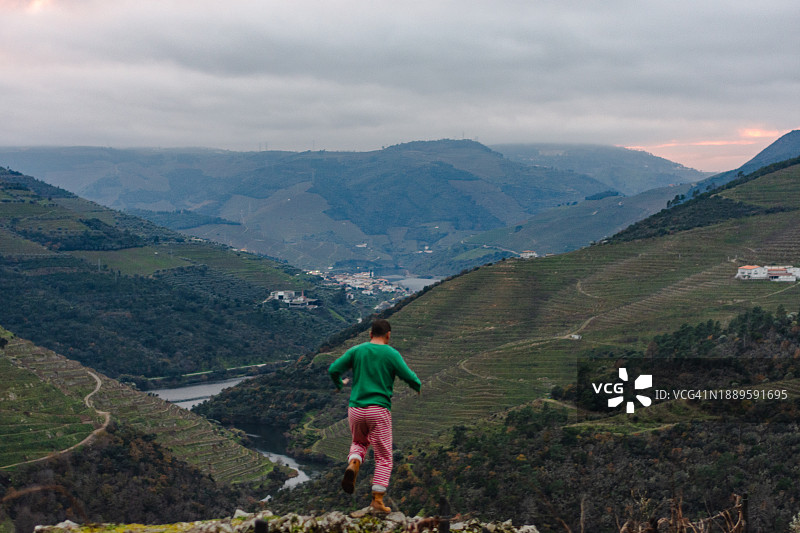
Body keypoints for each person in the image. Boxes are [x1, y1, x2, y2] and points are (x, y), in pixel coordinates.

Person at [328, 318, 421, 513]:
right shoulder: (391, 354)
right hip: (378, 410)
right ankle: (377, 500)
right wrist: (417, 386)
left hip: (355, 409)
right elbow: (409, 376)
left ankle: (354, 462)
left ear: (370, 334)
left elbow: (334, 369)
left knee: (359, 442)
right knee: (384, 457)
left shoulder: (357, 350)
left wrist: (339, 384)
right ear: (388, 335)